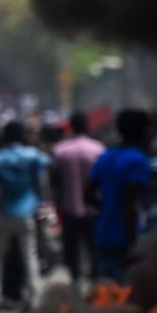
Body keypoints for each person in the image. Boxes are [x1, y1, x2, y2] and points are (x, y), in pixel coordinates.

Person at [0, 121, 50, 309]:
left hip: (5, 212)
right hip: (27, 212)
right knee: (29, 255)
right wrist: (42, 206)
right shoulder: (32, 156)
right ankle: (34, 297)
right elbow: (43, 176)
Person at [86, 109, 151, 283]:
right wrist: (133, 243)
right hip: (124, 239)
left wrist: (107, 209)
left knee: (107, 291)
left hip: (103, 235)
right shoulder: (137, 160)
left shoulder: (105, 157)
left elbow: (87, 194)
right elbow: (130, 203)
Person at [51, 111, 106, 292]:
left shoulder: (60, 150)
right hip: (94, 208)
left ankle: (75, 280)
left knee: (71, 248)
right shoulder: (98, 149)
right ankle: (95, 284)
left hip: (68, 207)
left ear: (71, 127)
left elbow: (55, 181)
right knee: (94, 248)